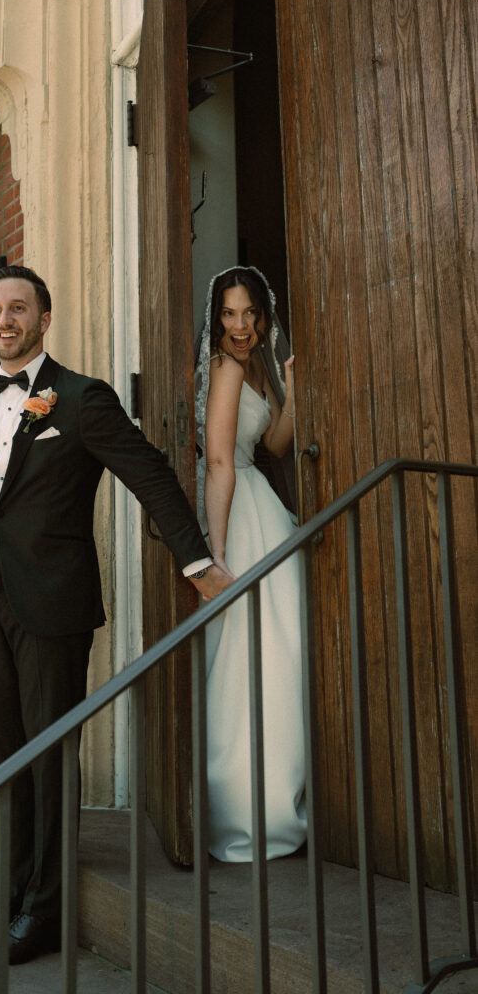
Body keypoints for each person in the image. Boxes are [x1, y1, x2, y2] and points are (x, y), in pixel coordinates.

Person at [0, 264, 230, 968]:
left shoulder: (81, 399)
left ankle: (44, 912)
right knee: (2, 762)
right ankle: (6, 897)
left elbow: (149, 473)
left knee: (46, 758)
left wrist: (196, 563)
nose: (4, 320)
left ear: (44, 319)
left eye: (19, 309)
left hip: (53, 607)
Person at [196, 265, 307, 861]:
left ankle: (279, 802)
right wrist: (214, 554)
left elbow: (276, 446)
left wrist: (294, 386)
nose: (241, 327)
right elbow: (218, 461)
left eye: (251, 315)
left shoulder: (257, 367)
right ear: (216, 317)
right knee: (243, 661)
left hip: (262, 512)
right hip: (235, 519)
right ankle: (241, 813)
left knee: (281, 656)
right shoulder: (224, 366)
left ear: (264, 318)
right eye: (230, 314)